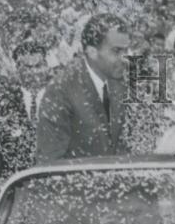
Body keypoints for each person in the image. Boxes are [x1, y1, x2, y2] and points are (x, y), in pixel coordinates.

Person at [35, 12, 131, 160]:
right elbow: (49, 162)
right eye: (117, 51)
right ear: (92, 52)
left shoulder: (121, 82)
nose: (126, 58)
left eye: (126, 50)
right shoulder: (61, 90)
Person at [0, 40, 49, 195]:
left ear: (46, 66)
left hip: (53, 185)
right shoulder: (2, 102)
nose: (34, 72)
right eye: (28, 67)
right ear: (18, 69)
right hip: (17, 189)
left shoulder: (61, 100)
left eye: (38, 66)